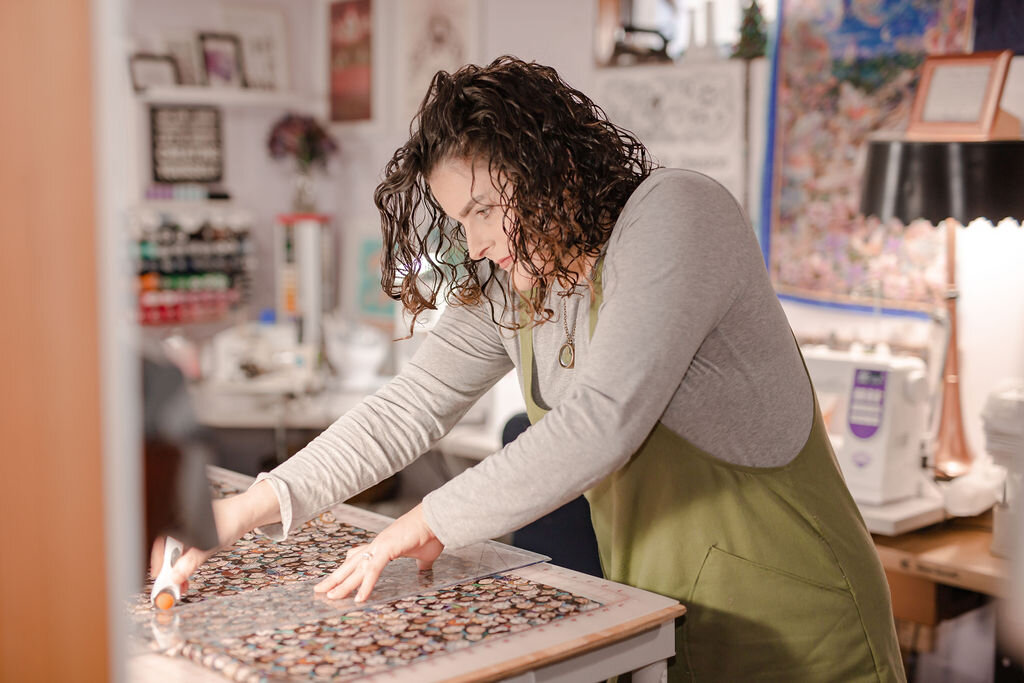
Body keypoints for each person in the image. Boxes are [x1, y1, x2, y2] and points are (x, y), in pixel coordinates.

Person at [152, 56, 905, 681]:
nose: (474, 242)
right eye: (460, 221)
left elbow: (599, 423)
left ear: (552, 164)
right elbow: (410, 405)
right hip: (667, 613)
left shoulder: (679, 214)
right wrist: (250, 508)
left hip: (803, 624)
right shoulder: (523, 279)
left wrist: (424, 521)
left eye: (484, 209)